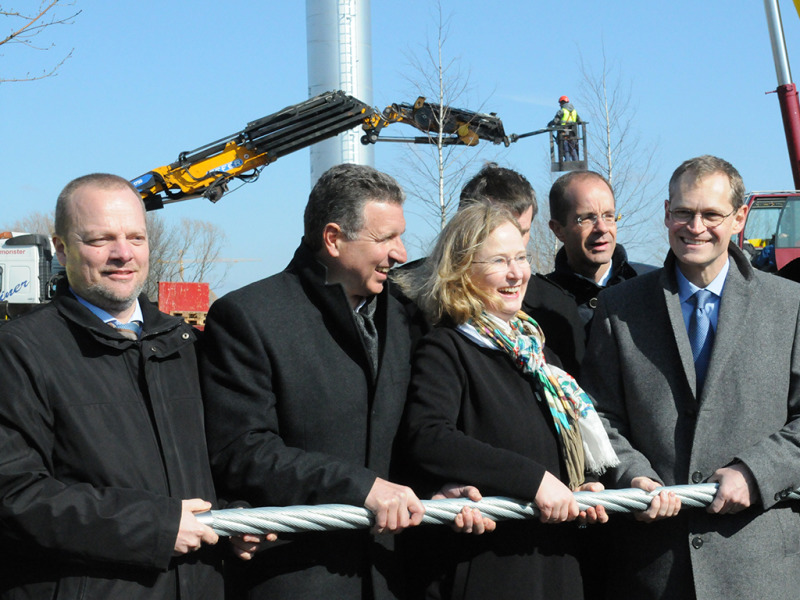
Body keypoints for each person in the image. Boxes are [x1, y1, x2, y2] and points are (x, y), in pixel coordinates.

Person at [200, 163, 427, 600]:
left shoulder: (402, 316)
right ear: (333, 239)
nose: (400, 253)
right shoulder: (250, 317)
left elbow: (411, 433)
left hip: (391, 575)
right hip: (297, 576)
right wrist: (361, 489)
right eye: (385, 239)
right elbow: (241, 450)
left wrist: (444, 485)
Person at [582, 155, 800, 600]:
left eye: (711, 214)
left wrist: (756, 473)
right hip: (653, 568)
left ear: (739, 218)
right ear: (666, 213)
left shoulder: (789, 305)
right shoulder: (618, 307)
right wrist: (632, 477)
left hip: (757, 570)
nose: (695, 226)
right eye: (683, 212)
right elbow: (597, 414)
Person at [0, 173, 223, 599]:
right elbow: (14, 494)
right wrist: (151, 527)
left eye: (135, 237)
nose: (123, 254)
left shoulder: (184, 345)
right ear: (62, 250)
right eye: (101, 239)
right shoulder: (19, 352)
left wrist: (237, 521)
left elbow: (214, 468)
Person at [396, 201, 618, 600]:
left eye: (521, 257)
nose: (517, 273)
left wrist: (581, 486)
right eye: (499, 261)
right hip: (489, 570)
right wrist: (534, 481)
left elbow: (556, 450)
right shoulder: (446, 348)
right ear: (462, 272)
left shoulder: (539, 354)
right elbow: (428, 436)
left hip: (557, 564)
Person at [547, 170, 651, 355]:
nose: (602, 228)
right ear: (558, 229)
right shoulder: (541, 302)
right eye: (587, 218)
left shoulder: (654, 286)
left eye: (609, 216)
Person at [549, 95, 581, 162]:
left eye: (560, 103)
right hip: (573, 133)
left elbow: (555, 121)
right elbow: (580, 121)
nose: (559, 105)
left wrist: (550, 124)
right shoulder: (574, 111)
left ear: (562, 103)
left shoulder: (562, 111)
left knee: (565, 148)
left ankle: (567, 161)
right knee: (572, 148)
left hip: (564, 133)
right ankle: (576, 161)